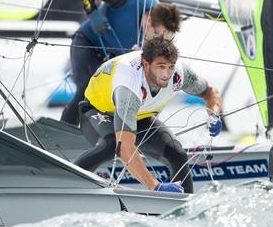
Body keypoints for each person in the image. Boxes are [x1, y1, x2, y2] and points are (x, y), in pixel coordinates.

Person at [75, 37, 222, 194]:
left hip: (139, 117)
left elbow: (210, 93)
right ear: (146, 64)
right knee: (112, 145)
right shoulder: (129, 86)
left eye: (170, 67)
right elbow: (125, 149)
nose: (167, 74)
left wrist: (214, 114)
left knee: (177, 154)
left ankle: (183, 208)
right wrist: (155, 185)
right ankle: (67, 180)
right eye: (161, 66)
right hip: (97, 111)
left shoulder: (180, 74)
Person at [60, 0, 182, 126]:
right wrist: (93, 14)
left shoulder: (162, 23)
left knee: (120, 96)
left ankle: (112, 139)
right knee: (86, 90)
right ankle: (63, 128)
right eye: (156, 34)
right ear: (149, 20)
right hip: (88, 42)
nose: (157, 40)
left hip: (112, 57)